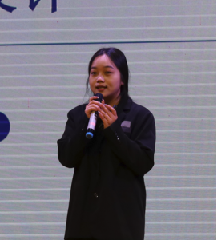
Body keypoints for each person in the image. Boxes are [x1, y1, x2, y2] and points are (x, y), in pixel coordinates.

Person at [58, 47, 156, 239]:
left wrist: (114, 130)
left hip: (121, 223)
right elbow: (66, 157)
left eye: (107, 73)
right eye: (94, 73)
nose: (99, 79)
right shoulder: (79, 115)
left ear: (122, 78)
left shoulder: (140, 116)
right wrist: (85, 125)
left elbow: (143, 162)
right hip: (82, 222)